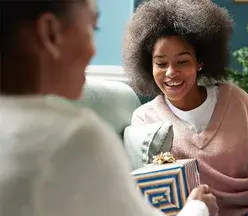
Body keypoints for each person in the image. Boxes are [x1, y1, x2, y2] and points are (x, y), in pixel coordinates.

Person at [0, 0, 217, 216]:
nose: (93, 50)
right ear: (50, 32)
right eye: (92, 28)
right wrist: (199, 207)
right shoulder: (76, 136)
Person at [122, 0, 248, 215]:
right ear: (148, 65)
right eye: (161, 63)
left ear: (199, 62)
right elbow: (150, 190)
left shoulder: (234, 99)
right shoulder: (145, 119)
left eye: (182, 62)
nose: (171, 72)